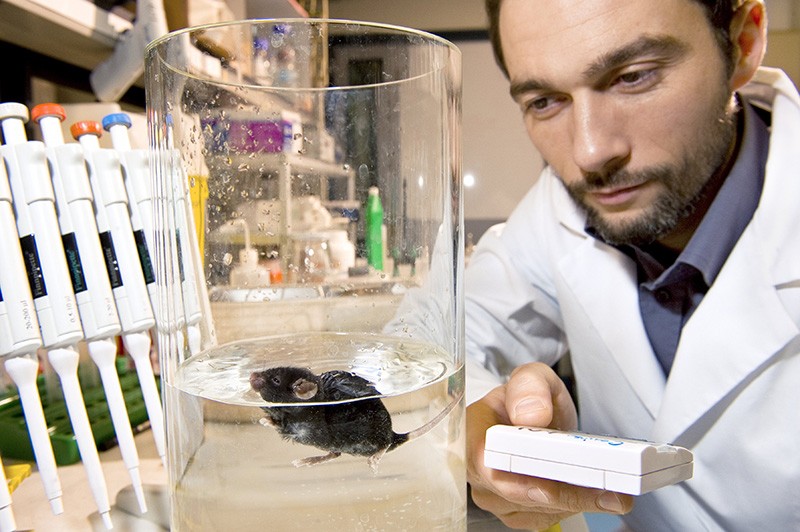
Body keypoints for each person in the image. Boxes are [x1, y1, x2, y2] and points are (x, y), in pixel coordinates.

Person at [464, 0, 800, 530]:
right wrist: (482, 421)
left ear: (742, 42)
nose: (591, 152)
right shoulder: (557, 209)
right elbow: (443, 337)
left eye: (634, 77)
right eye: (545, 101)